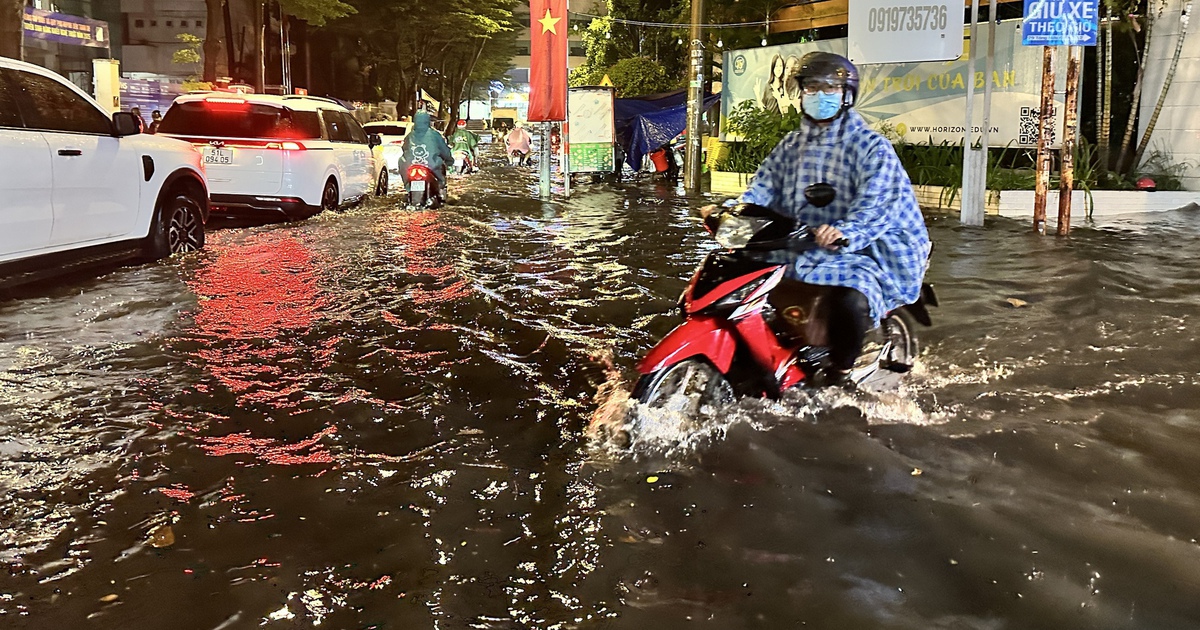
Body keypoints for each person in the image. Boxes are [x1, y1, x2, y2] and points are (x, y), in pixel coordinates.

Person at [703, 52, 930, 383]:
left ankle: (841, 373)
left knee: (850, 297)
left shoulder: (871, 147)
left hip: (862, 248)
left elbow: (877, 202)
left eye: (829, 89)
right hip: (800, 240)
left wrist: (844, 231)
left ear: (846, 95)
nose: (819, 96)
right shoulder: (791, 145)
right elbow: (763, 187)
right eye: (811, 88)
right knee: (741, 273)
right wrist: (731, 213)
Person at [399, 110, 453, 190]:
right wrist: (449, 160)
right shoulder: (435, 135)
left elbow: (404, 148)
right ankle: (441, 189)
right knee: (441, 180)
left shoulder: (409, 136)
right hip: (432, 165)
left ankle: (408, 188)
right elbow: (444, 150)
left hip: (410, 165)